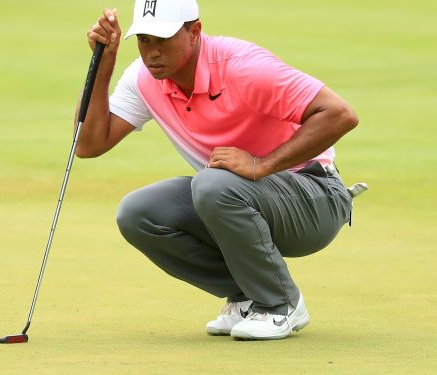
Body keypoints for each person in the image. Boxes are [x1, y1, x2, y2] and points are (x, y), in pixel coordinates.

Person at [78, 0, 358, 340]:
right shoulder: (143, 78)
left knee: (212, 185)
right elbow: (89, 145)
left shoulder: (243, 67)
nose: (152, 52)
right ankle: (247, 296)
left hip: (315, 199)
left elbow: (340, 114)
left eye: (163, 39)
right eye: (144, 40)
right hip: (240, 197)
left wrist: (262, 165)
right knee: (138, 213)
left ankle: (280, 304)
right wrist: (103, 64)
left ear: (194, 31)